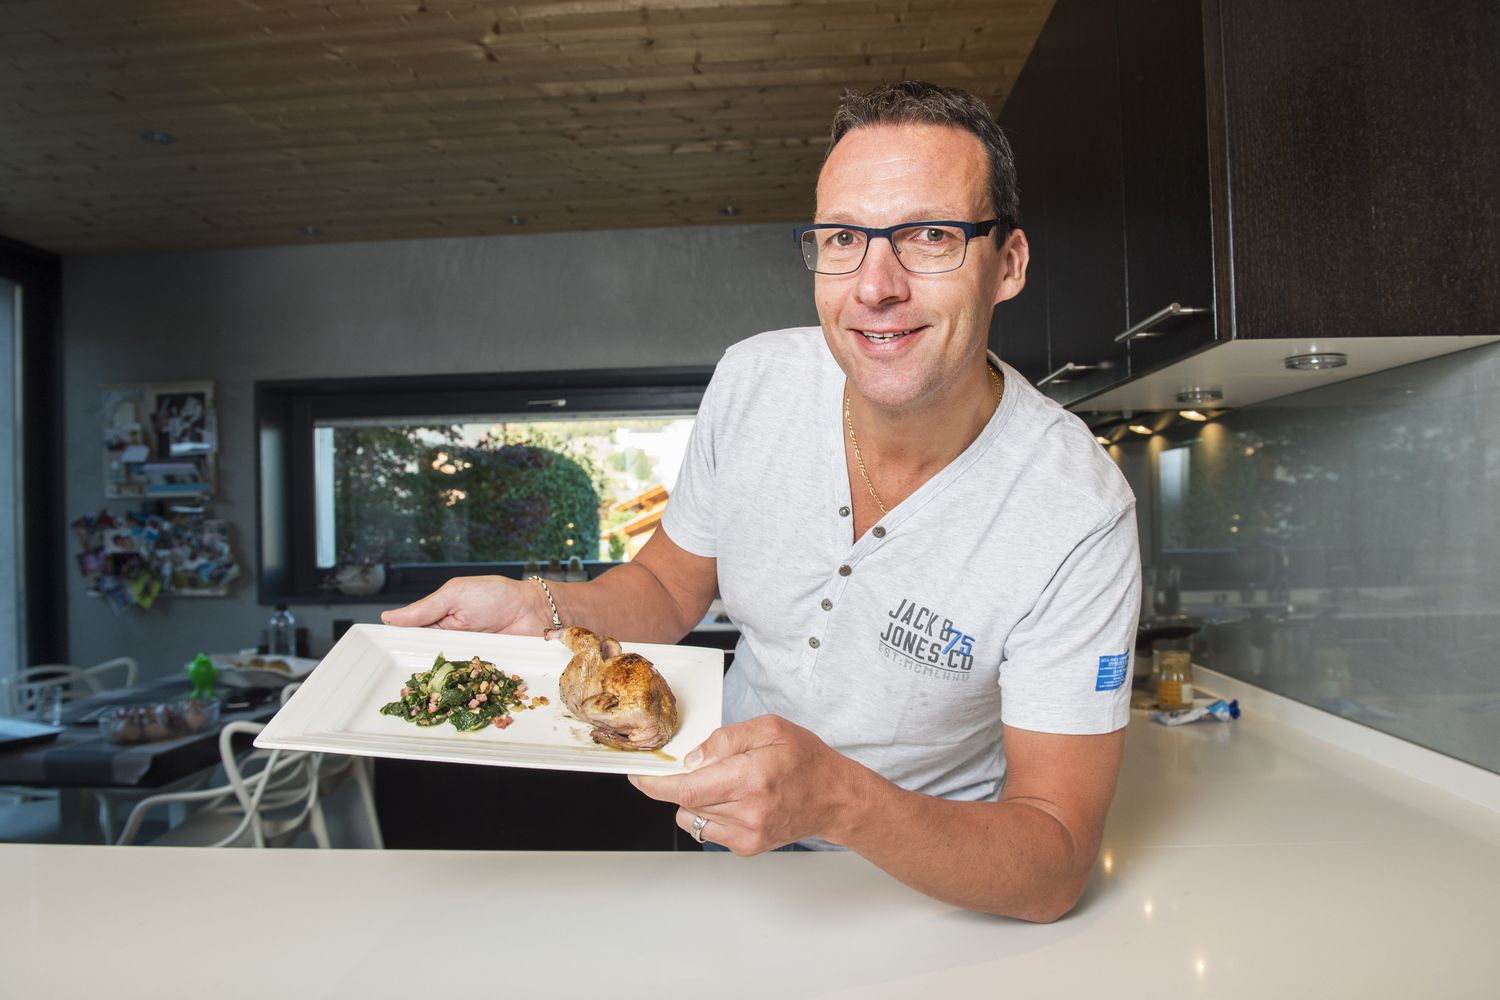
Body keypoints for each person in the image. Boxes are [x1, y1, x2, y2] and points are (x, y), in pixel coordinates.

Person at [383, 80, 1140, 922]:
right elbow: (669, 589)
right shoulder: (754, 382)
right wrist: (543, 607)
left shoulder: (1077, 511)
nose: (875, 285)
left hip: (937, 891)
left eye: (931, 236)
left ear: (1009, 263)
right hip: (720, 841)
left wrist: (841, 803)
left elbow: (1055, 861)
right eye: (843, 238)